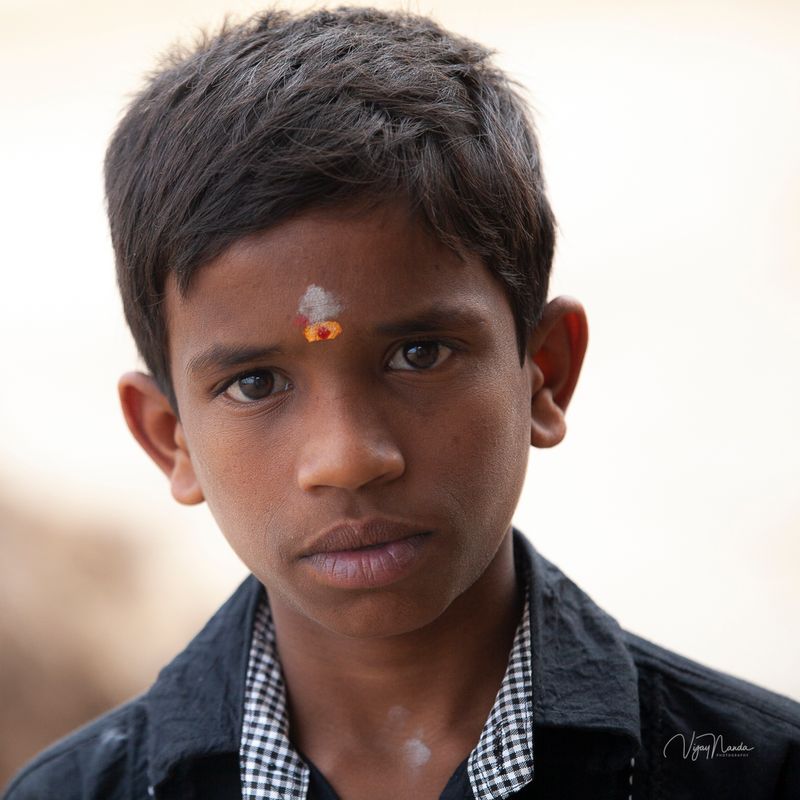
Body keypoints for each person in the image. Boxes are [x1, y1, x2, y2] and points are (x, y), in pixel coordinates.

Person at [4, 6, 798, 799]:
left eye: (419, 354)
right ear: (169, 438)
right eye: (255, 383)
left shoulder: (758, 776)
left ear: (544, 375)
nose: (348, 456)